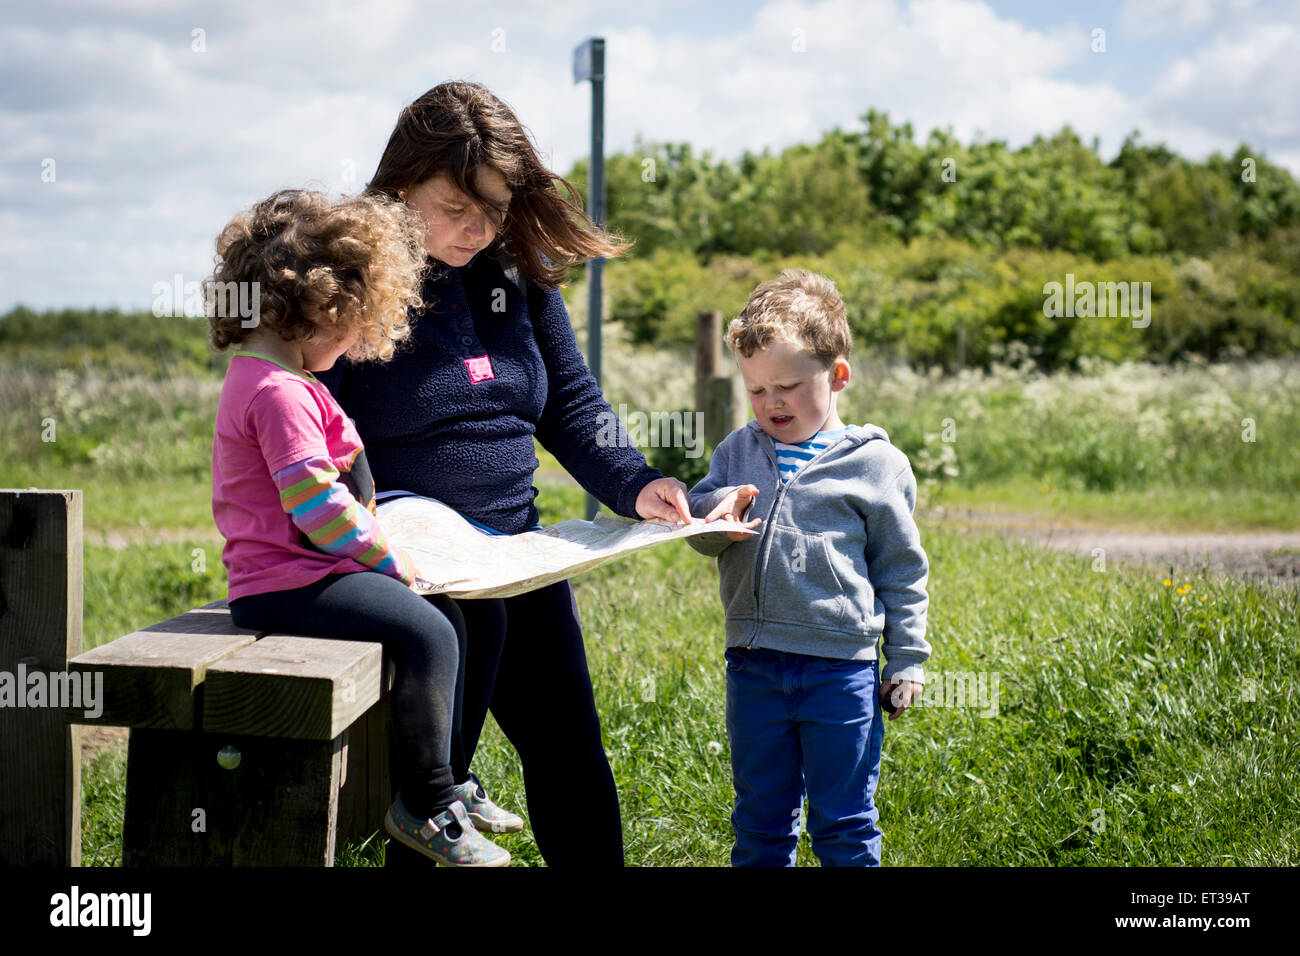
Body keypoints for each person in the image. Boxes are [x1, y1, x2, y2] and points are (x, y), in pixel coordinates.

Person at [314, 81, 693, 866]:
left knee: (571, 752)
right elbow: (308, 426)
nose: (478, 227)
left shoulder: (515, 267)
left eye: (495, 207)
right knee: (437, 791)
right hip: (417, 572)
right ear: (401, 183)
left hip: (516, 552)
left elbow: (571, 404)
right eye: (457, 205)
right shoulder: (350, 278)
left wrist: (634, 481)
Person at [208, 188, 510, 866]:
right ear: (315, 310)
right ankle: (425, 804)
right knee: (430, 630)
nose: (352, 344)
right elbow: (315, 505)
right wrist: (388, 559)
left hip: (306, 574)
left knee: (449, 620)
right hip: (286, 585)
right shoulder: (279, 391)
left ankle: (449, 782)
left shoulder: (280, 379)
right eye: (350, 327)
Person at [685, 268, 932, 866]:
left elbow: (901, 571)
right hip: (754, 664)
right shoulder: (736, 451)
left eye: (789, 386)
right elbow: (701, 531)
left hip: (839, 671)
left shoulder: (877, 466)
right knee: (761, 820)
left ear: (837, 375)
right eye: (756, 388)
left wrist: (907, 661)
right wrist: (712, 513)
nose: (771, 402)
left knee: (843, 822)